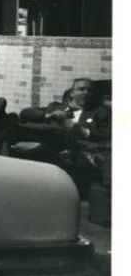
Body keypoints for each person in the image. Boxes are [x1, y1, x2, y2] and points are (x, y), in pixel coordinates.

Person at [18, 78, 112, 221]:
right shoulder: (56, 107)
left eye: (89, 90)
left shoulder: (100, 112)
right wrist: (47, 116)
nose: (86, 92)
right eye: (81, 89)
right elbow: (25, 113)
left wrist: (83, 131)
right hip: (53, 150)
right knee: (18, 125)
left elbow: (109, 134)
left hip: (80, 154)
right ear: (71, 93)